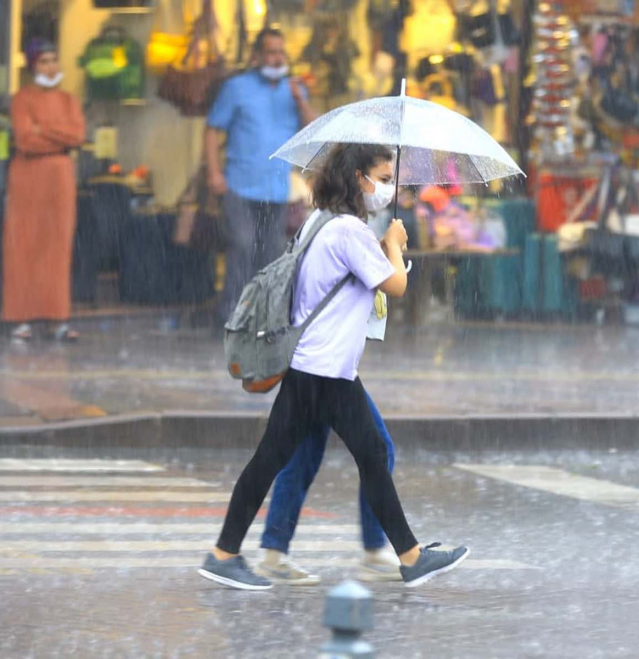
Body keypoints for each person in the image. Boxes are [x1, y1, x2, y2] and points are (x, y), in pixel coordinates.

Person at [198, 143, 469, 590]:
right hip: (325, 372)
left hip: (315, 368)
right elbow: (395, 284)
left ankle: (227, 552)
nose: (386, 187)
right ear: (358, 178)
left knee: (296, 459)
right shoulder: (348, 231)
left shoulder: (320, 223)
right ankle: (410, 556)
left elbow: (353, 277)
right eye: (382, 178)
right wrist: (397, 246)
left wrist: (382, 243)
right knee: (364, 457)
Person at [205, 27, 318, 324]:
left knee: (271, 255)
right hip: (240, 185)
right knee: (242, 246)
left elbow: (312, 130)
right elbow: (212, 128)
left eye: (281, 52)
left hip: (276, 188)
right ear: (256, 56)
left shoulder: (294, 89)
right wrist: (214, 172)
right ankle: (233, 316)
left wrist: (300, 99)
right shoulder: (237, 87)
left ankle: (266, 318)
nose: (277, 58)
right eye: (271, 52)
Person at [259, 373, 400, 586]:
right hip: (331, 369)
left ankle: (273, 555)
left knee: (301, 459)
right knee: (378, 451)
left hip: (315, 367)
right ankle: (374, 551)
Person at [2, 39, 85, 341]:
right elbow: (25, 139)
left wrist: (44, 130)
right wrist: (57, 135)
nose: (51, 67)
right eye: (44, 61)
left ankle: (57, 317)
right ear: (33, 66)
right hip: (27, 175)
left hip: (60, 177)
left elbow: (77, 135)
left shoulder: (69, 100)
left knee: (57, 247)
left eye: (54, 60)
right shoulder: (22, 98)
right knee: (23, 243)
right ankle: (20, 317)